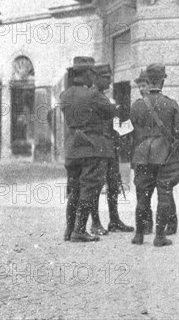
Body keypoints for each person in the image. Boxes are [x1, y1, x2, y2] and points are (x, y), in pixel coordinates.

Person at [130, 63, 179, 247]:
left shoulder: (137, 105)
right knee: (164, 193)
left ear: (148, 80)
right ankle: (159, 237)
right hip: (165, 155)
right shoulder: (171, 104)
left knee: (142, 196)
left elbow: (134, 132)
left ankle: (139, 235)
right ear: (163, 80)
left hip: (142, 156)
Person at [60, 56, 117, 242]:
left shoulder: (65, 94)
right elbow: (110, 111)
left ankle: (69, 230)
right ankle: (80, 230)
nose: (94, 77)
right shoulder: (93, 95)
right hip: (91, 147)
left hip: (72, 148)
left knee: (74, 189)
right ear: (86, 74)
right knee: (89, 188)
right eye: (92, 73)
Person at [88, 64, 134, 235]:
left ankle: (114, 221)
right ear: (96, 78)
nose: (109, 80)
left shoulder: (102, 96)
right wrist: (116, 108)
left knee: (114, 184)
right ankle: (96, 222)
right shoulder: (94, 95)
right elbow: (113, 111)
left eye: (109, 77)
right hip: (99, 147)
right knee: (97, 185)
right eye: (106, 77)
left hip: (110, 146)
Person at [134, 69, 154, 235]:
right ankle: (168, 224)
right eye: (139, 86)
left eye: (144, 85)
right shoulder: (137, 105)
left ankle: (145, 226)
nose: (141, 89)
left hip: (143, 153)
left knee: (143, 190)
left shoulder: (138, 106)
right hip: (152, 154)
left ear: (151, 85)